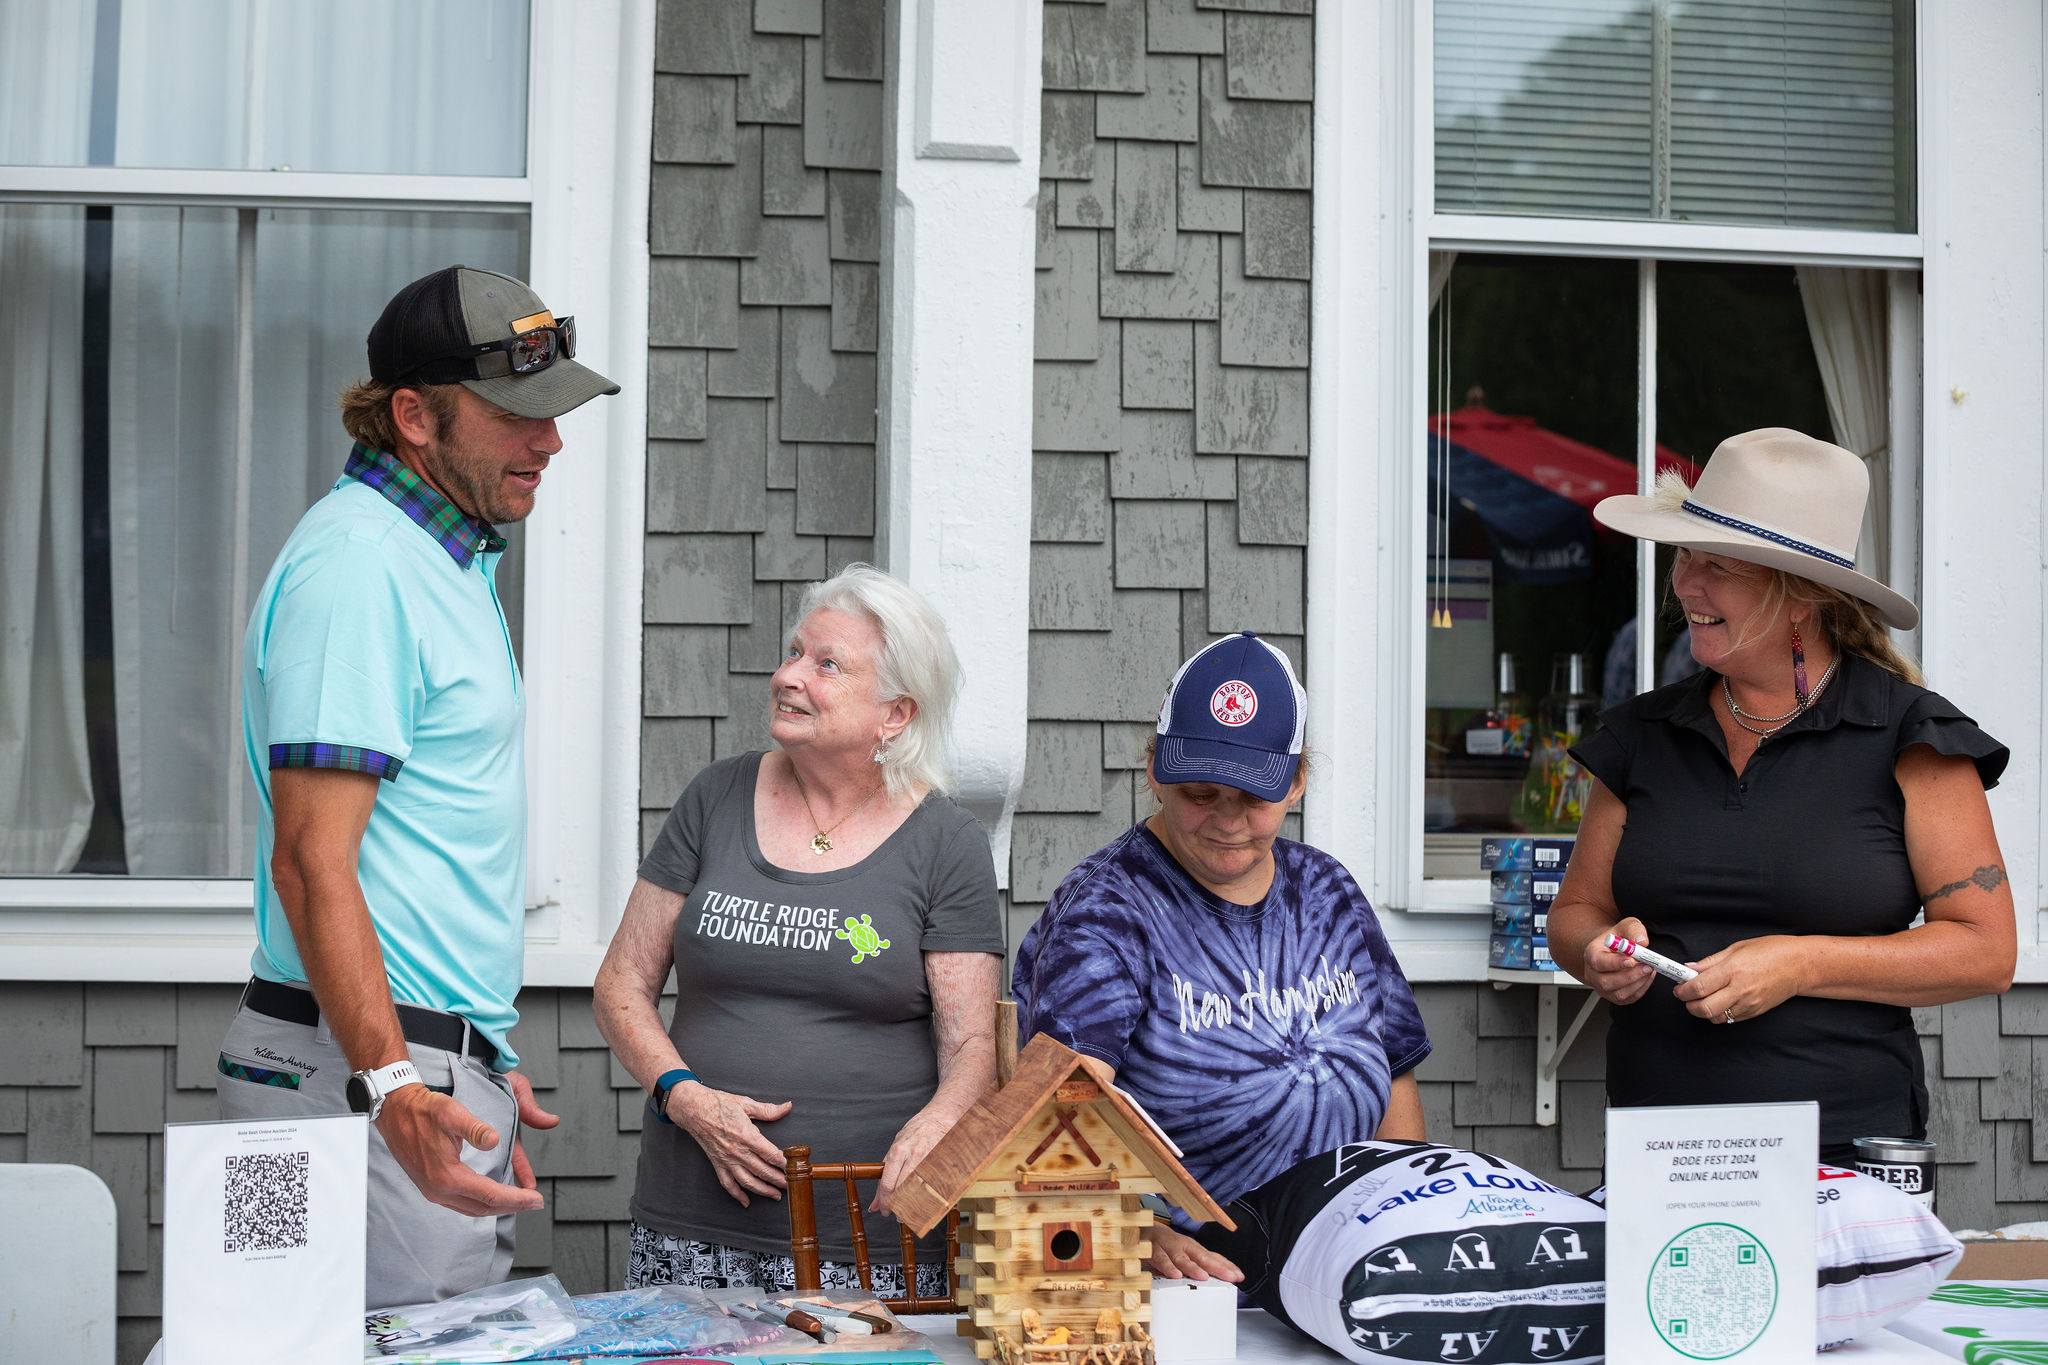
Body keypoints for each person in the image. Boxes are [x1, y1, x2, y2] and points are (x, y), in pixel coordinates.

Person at [221, 265, 619, 1307]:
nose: (550, 441)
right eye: (516, 415)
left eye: (556, 413)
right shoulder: (361, 569)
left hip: (386, 1064)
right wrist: (399, 1081)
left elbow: (418, 850)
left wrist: (468, 1056)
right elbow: (312, 865)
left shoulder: (437, 561)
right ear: (414, 416)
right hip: (351, 1081)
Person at [1550, 428, 2016, 1165]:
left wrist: (1801, 962)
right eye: (1686, 557)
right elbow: (1575, 915)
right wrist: (1597, 953)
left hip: (1843, 1152)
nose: (1687, 585)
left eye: (1719, 566)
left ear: (1800, 597)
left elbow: (1987, 952)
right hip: (1663, 1149)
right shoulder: (1643, 732)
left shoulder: (1909, 735)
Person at [595, 564, 1003, 1293]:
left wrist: (937, 1126)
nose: (789, 676)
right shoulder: (715, 796)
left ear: (895, 713)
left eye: (826, 664)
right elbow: (621, 982)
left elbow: (972, 1043)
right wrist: (685, 1096)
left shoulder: (947, 841)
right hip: (689, 1224)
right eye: (793, 652)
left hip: (870, 1235)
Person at [1013, 632, 1432, 1284]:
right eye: (1201, 793)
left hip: (1345, 1274)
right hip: (1191, 1292)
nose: (1227, 820)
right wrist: (1135, 1229)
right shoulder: (1107, 910)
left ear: (1297, 780)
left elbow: (1395, 1077)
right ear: (1155, 767)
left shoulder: (1329, 890)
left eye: (1254, 797)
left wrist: (1410, 1220)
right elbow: (1059, 1111)